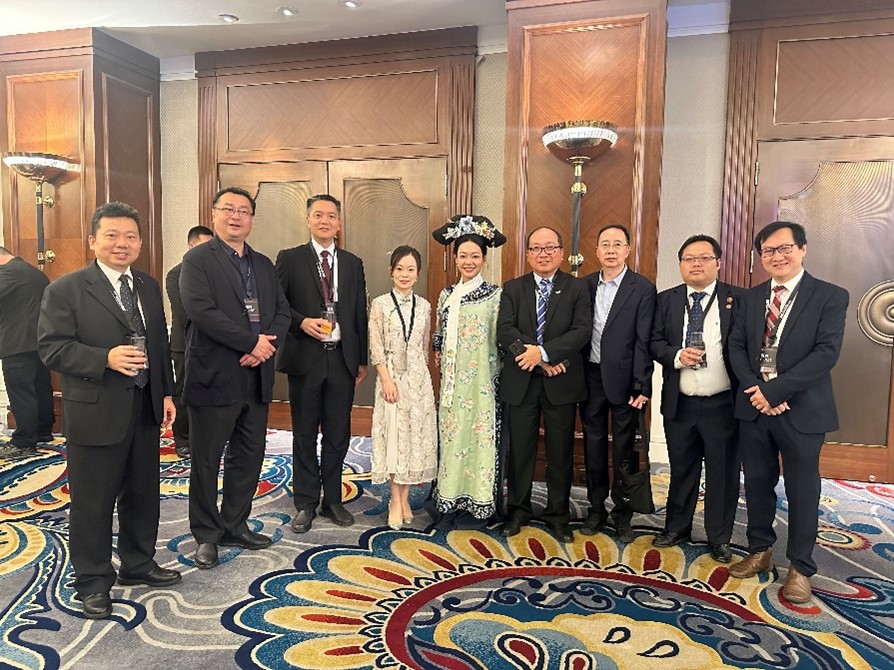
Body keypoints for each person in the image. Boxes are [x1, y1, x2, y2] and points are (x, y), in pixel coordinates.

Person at [37, 202, 179, 619]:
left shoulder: (147, 286)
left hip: (145, 407)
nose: (122, 243)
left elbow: (159, 344)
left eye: (130, 236)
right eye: (112, 235)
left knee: (142, 494)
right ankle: (93, 581)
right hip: (95, 411)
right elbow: (51, 348)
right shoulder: (65, 289)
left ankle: (138, 562)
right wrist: (104, 358)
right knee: (93, 502)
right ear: (93, 241)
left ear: (140, 243)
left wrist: (166, 393)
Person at [728, 221, 848, 604]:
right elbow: (736, 348)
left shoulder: (830, 296)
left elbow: (826, 353)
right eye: (768, 251)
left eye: (784, 248)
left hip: (802, 409)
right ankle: (759, 549)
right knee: (757, 482)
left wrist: (776, 391)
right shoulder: (749, 298)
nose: (776, 256)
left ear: (802, 249)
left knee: (802, 489)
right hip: (755, 407)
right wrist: (758, 391)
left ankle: (800, 566)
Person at [180, 187, 290, 570]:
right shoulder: (197, 260)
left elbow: (283, 312)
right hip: (214, 375)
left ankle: (235, 523)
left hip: (256, 376)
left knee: (249, 455)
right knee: (207, 460)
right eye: (228, 209)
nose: (236, 216)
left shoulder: (263, 264)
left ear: (251, 219)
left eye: (244, 211)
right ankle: (206, 535)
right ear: (214, 214)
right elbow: (201, 311)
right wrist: (250, 342)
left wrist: (265, 346)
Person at [276, 194, 368, 533]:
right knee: (304, 433)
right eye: (318, 215)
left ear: (339, 223)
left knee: (337, 433)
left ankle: (333, 499)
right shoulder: (290, 258)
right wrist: (301, 322)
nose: (325, 221)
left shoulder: (352, 262)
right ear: (308, 220)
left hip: (342, 358)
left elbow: (359, 312)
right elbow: (277, 304)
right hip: (306, 357)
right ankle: (305, 502)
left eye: (331, 216)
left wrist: (361, 359)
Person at [649, 235, 743, 562]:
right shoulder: (666, 300)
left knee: (723, 471)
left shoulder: (738, 299)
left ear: (718, 262)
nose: (696, 264)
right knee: (682, 468)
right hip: (681, 402)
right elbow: (654, 342)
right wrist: (676, 356)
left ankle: (719, 537)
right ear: (680, 265)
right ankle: (677, 527)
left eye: (704, 258)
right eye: (689, 259)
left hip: (723, 404)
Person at [498, 226, 592, 542]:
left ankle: (558, 515)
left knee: (560, 452)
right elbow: (504, 330)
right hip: (522, 380)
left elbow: (581, 331)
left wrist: (546, 352)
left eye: (550, 247)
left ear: (561, 252)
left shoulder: (577, 288)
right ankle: (518, 511)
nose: (543, 253)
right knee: (520, 451)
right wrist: (538, 358)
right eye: (536, 248)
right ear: (528, 254)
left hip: (561, 381)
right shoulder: (513, 288)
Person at [579, 224, 656, 543]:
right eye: (605, 244)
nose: (610, 250)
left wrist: (642, 383)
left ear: (627, 250)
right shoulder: (583, 285)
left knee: (625, 448)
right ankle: (595, 508)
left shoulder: (642, 288)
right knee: (593, 444)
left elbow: (643, 340)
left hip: (626, 381)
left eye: (617, 244)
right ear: (596, 251)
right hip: (590, 376)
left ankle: (623, 512)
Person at [430, 215, 505, 530]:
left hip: (482, 385)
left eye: (475, 256)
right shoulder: (447, 295)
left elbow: (500, 340)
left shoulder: (495, 296)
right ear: (455, 258)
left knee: (479, 441)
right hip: (452, 386)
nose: (469, 261)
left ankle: (479, 504)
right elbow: (439, 333)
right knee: (452, 438)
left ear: (484, 258)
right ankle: (449, 499)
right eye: (463, 256)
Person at [368, 245, 437, 529]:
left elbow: (423, 345)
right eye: (400, 269)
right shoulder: (380, 304)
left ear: (418, 273)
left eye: (410, 269)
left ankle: (406, 498)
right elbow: (376, 346)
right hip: (391, 378)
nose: (405, 274)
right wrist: (387, 380)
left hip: (418, 382)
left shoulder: (425, 306)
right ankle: (394, 501)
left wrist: (421, 380)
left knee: (413, 440)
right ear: (391, 272)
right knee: (395, 440)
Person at [0, 246, 54, 458]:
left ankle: (23, 442)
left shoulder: (8, 273)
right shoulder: (34, 273)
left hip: (16, 343)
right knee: (40, 387)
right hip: (40, 341)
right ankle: (43, 431)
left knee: (21, 392)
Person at [165, 225, 213, 459]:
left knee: (208, 392)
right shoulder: (176, 274)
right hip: (185, 344)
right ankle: (183, 440)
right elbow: (185, 312)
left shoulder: (215, 273)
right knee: (184, 392)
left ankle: (204, 438)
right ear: (191, 246)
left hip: (214, 344)